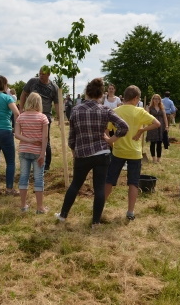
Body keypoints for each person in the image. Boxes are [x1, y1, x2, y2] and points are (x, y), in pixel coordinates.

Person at [55, 78, 129, 227]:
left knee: (75, 185)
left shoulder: (76, 110)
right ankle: (96, 222)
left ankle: (63, 215)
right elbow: (124, 126)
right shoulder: (105, 110)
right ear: (101, 94)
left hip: (82, 154)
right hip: (102, 153)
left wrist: (73, 151)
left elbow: (72, 137)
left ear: (86, 93)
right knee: (99, 188)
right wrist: (110, 140)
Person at [104, 85, 160, 221]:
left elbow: (106, 129)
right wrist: (141, 131)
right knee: (133, 183)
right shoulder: (139, 111)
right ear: (136, 98)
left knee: (109, 180)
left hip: (118, 151)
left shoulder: (115, 111)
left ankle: (100, 207)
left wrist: (109, 141)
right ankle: (130, 212)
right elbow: (157, 123)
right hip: (135, 153)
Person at [15, 92, 49, 214]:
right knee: (38, 178)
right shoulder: (42, 117)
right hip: (37, 152)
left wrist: (28, 140)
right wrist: (42, 154)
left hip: (24, 150)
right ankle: (40, 208)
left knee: (23, 177)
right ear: (39, 103)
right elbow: (45, 138)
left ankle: (23, 206)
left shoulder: (21, 117)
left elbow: (17, 134)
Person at [20, 68, 59, 172]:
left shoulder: (53, 87)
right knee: (31, 138)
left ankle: (46, 166)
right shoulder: (33, 81)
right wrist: (21, 109)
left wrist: (59, 117)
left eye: (43, 74)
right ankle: (30, 162)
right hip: (30, 114)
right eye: (40, 73)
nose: (41, 76)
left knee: (45, 140)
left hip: (45, 116)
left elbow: (57, 103)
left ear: (49, 75)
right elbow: (24, 93)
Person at [146, 94, 169, 163]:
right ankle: (153, 158)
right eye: (155, 98)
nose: (156, 100)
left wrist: (167, 126)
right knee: (152, 143)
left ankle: (158, 158)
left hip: (161, 127)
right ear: (152, 100)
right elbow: (147, 117)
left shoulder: (162, 108)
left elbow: (165, 117)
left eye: (158, 99)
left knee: (159, 143)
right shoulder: (150, 108)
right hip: (152, 126)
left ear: (160, 100)